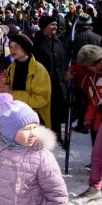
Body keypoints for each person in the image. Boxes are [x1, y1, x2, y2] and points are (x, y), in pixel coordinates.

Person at [0, 33, 51, 128]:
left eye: (17, 46)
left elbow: (41, 99)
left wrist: (13, 93)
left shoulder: (38, 69)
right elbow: (6, 93)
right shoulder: (11, 68)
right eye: (10, 46)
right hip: (16, 118)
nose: (12, 49)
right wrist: (2, 85)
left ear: (25, 48)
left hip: (35, 119)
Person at [71, 45, 102, 204]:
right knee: (97, 155)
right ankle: (95, 187)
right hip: (100, 120)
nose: (94, 68)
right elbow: (94, 102)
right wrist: (88, 118)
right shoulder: (94, 77)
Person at [32, 16, 68, 144]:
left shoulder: (59, 42)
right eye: (52, 25)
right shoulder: (38, 44)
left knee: (57, 112)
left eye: (55, 25)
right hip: (44, 85)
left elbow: (64, 61)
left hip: (59, 83)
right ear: (44, 27)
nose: (55, 27)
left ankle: (56, 135)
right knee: (44, 112)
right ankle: (44, 137)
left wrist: (66, 75)